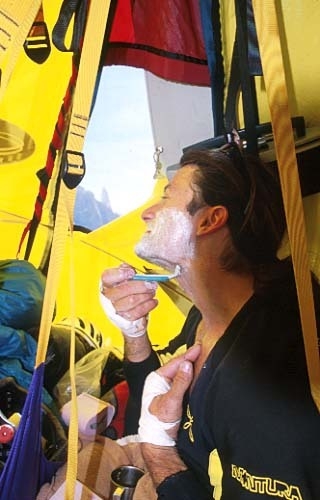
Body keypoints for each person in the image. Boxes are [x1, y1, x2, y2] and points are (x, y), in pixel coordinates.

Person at [38, 142, 320, 499]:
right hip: (176, 465)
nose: (147, 213)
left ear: (208, 220)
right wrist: (135, 332)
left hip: (181, 478)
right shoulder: (205, 318)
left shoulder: (264, 385)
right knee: (83, 463)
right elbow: (155, 407)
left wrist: (158, 451)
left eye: (166, 197)